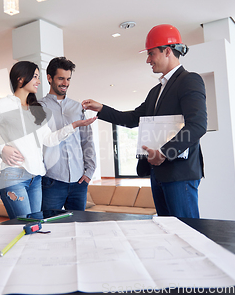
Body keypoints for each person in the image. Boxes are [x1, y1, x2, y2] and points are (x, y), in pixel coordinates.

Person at [82, 24, 207, 218]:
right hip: (158, 174)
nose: (148, 60)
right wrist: (102, 109)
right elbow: (132, 119)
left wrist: (164, 153)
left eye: (151, 54)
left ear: (167, 51)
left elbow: (198, 125)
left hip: (179, 175)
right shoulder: (155, 92)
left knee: (187, 232)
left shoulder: (189, 80)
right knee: (167, 231)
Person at [0, 61, 96, 219]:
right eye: (35, 77)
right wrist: (2, 148)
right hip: (14, 176)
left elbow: (49, 139)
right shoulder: (2, 105)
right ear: (21, 79)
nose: (38, 81)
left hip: (36, 178)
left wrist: (74, 125)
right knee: (24, 227)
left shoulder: (35, 109)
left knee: (37, 228)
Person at [39, 57, 96, 211]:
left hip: (79, 182)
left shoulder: (78, 108)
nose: (65, 83)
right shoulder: (39, 107)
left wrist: (89, 172)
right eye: (61, 78)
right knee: (50, 228)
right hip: (51, 181)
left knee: (79, 227)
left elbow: (87, 141)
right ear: (49, 78)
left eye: (68, 79)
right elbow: (40, 143)